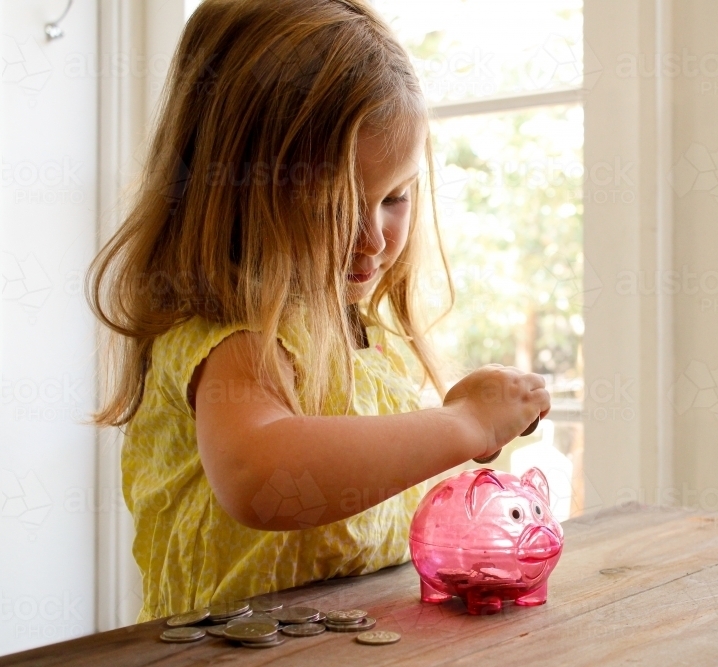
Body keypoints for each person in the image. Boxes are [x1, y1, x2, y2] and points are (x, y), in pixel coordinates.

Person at [86, 0, 550, 623]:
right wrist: (462, 424)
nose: (375, 239)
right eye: (336, 207)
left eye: (395, 197)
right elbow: (262, 475)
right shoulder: (235, 336)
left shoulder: (364, 338)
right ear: (237, 194)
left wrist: (450, 433)